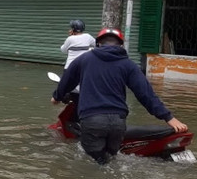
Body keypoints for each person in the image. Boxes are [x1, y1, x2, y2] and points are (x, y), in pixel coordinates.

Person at [51, 28, 188, 165]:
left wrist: (57, 97)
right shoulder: (128, 65)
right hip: (117, 124)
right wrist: (169, 117)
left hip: (92, 120)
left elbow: (66, 82)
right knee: (111, 160)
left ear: (98, 43)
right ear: (121, 45)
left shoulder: (83, 59)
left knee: (95, 164)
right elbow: (146, 95)